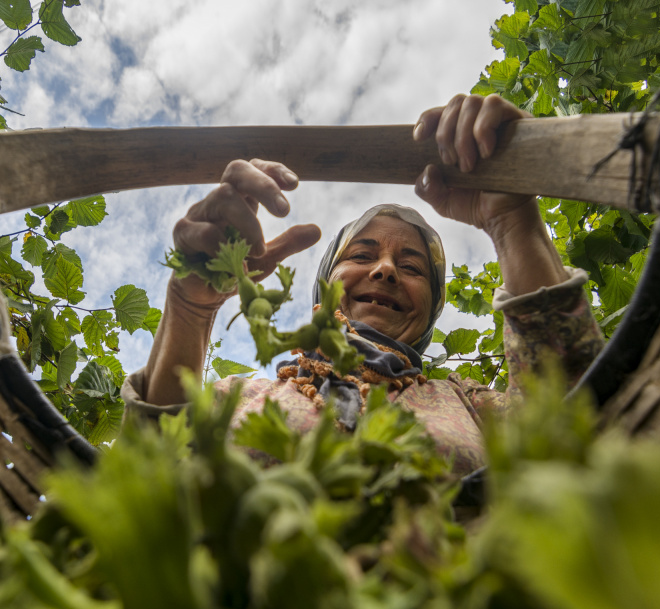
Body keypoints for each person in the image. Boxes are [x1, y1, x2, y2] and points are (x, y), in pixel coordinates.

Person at [122, 94, 604, 474]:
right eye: (362, 255)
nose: (386, 270)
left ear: (430, 311)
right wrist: (190, 306)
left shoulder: (472, 406)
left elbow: (578, 437)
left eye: (412, 268)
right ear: (323, 290)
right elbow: (148, 472)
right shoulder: (237, 400)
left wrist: (513, 222)